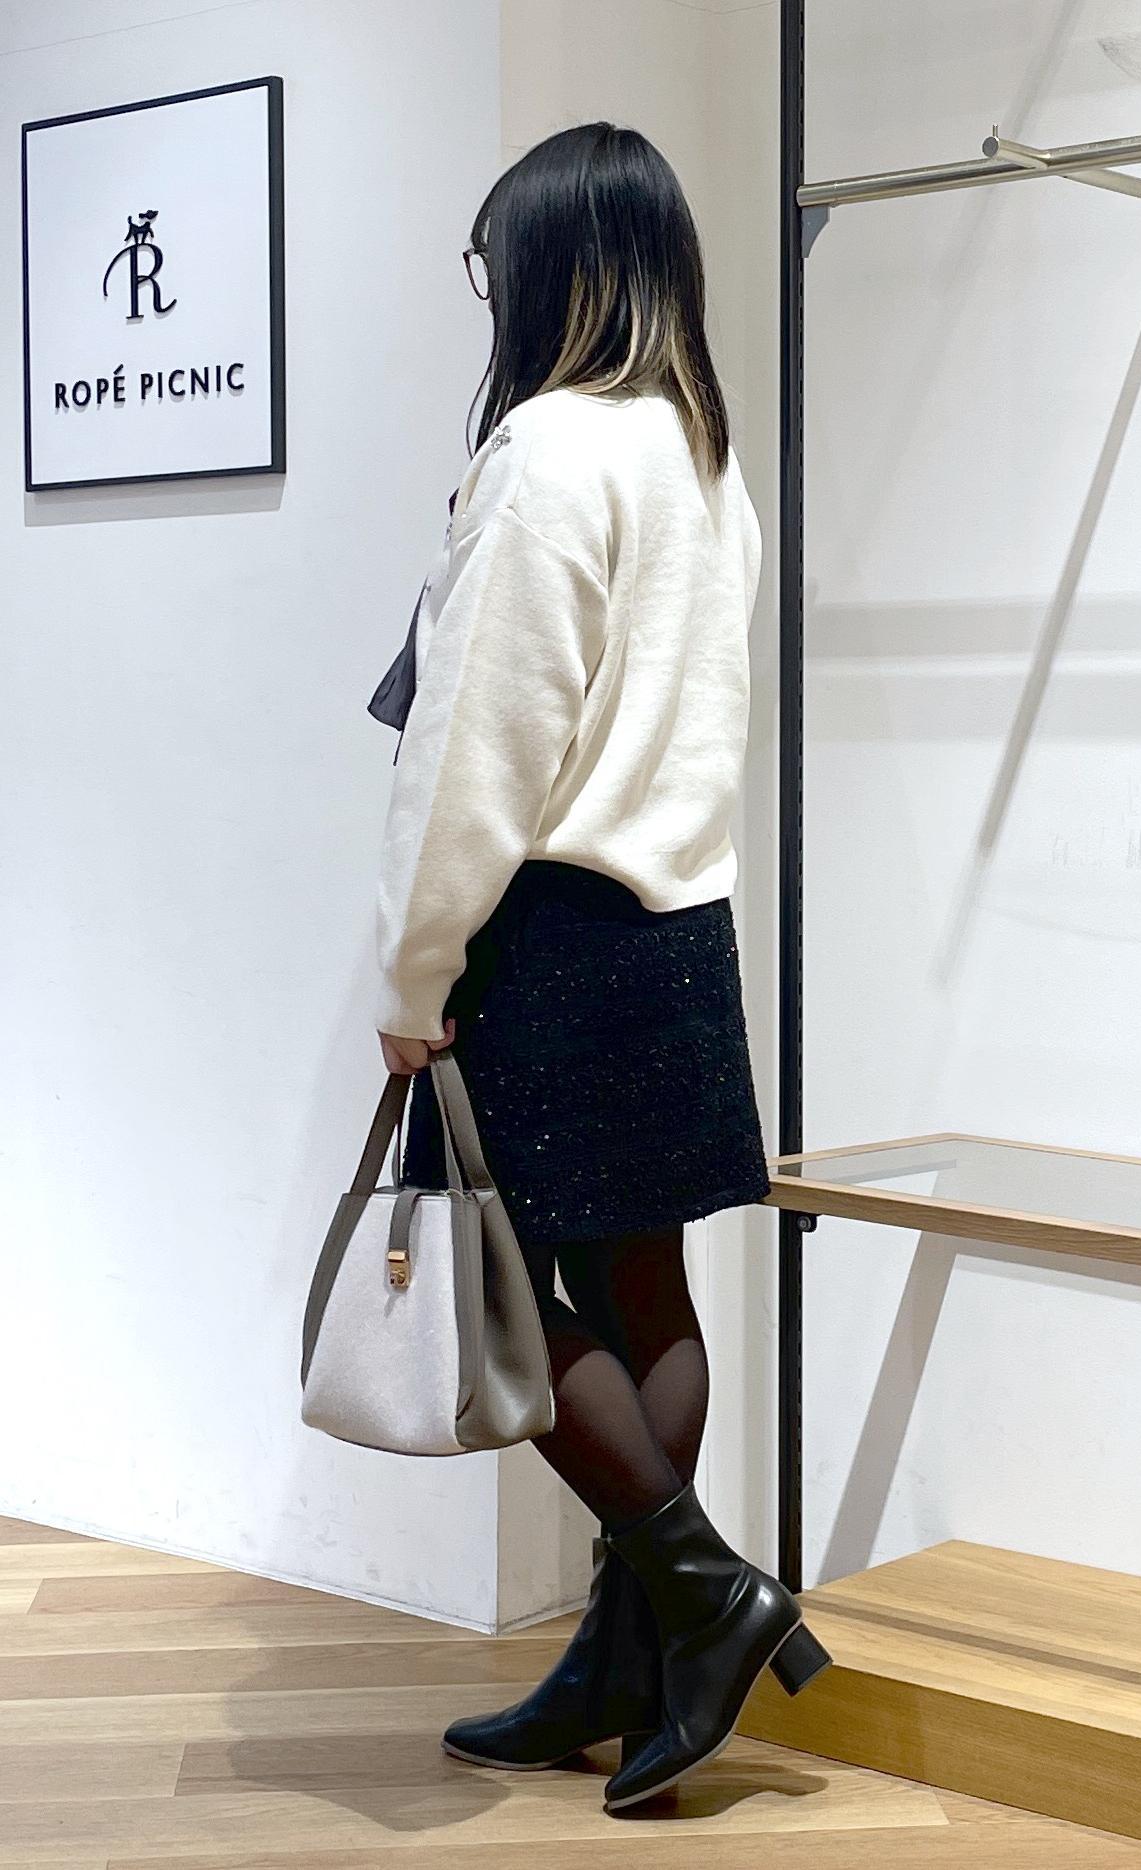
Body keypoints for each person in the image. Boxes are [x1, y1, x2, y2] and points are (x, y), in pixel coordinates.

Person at [371, 121, 830, 1816]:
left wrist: (414, 976)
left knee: (504, 1290)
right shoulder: (711, 465)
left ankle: (709, 1599)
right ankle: (622, 1657)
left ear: (553, 262)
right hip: (680, 938)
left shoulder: (546, 453)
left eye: (495, 262)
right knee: (647, 1294)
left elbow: (474, 751)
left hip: (549, 936)